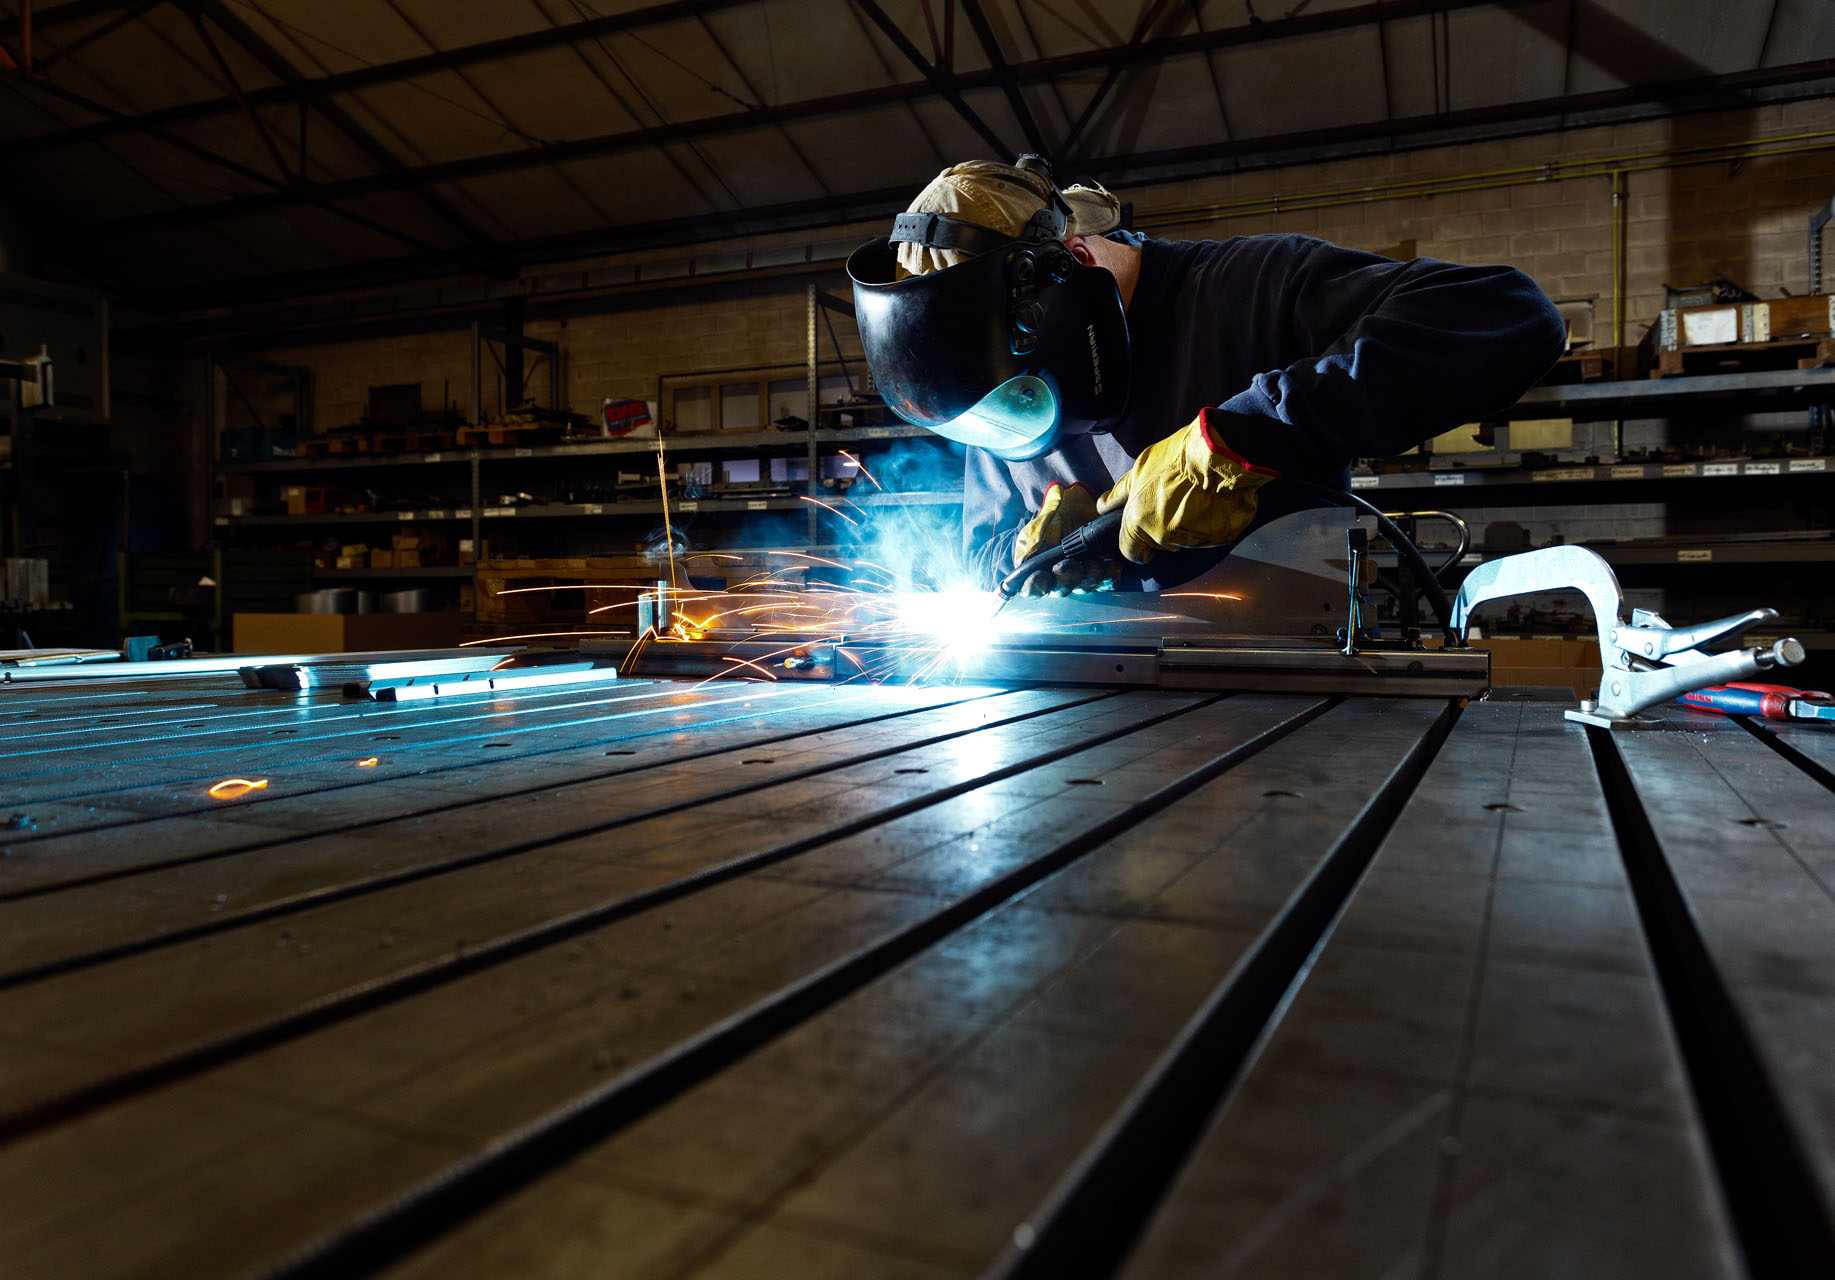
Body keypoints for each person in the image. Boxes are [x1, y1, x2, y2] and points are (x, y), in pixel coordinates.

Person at [847, 157, 1567, 595]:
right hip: (1078, 700)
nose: (1022, 416)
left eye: (1026, 387)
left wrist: (1242, 437)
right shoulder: (998, 386)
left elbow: (1511, 313)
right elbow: (978, 555)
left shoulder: (1247, 285)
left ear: (1075, 267)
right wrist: (1020, 555)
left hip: (1278, 681)